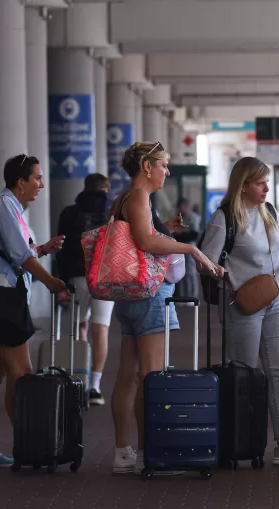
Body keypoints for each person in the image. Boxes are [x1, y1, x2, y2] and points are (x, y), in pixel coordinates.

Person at [107, 141, 222, 475]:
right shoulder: (140, 196)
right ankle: (150, 453)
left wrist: (164, 230)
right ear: (146, 166)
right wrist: (190, 248)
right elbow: (144, 242)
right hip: (150, 295)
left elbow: (139, 238)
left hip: (128, 297)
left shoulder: (123, 200)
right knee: (153, 378)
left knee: (128, 376)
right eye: (163, 165)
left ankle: (122, 451)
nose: (167, 172)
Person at [200, 156, 279, 465]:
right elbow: (205, 260)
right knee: (245, 376)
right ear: (243, 185)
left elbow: (270, 255)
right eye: (260, 183)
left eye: (266, 182)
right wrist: (227, 280)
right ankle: (241, 441)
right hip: (243, 306)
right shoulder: (224, 218)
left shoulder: (269, 213)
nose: (267, 188)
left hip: (274, 302)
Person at [0, 154, 68, 466]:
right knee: (22, 375)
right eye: (37, 178)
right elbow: (19, 256)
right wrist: (51, 281)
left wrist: (43, 249)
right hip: (4, 300)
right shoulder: (5, 205)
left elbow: (19, 250)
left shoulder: (11, 207)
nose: (41, 184)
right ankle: (31, 445)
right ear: (21, 183)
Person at [55, 173, 114, 406]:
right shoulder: (111, 213)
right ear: (106, 188)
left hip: (78, 276)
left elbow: (62, 249)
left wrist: (63, 280)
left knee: (80, 326)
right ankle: (95, 388)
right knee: (101, 330)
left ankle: (79, 378)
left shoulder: (69, 213)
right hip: (105, 278)